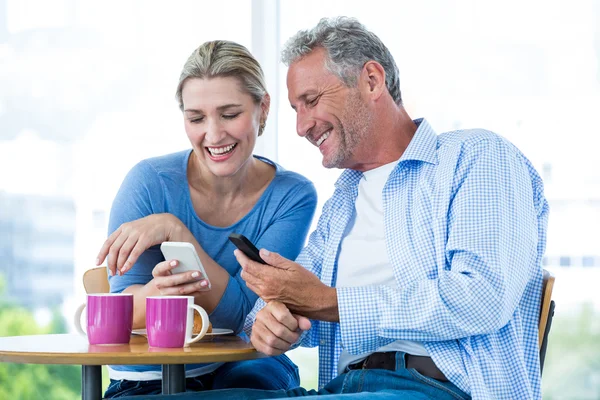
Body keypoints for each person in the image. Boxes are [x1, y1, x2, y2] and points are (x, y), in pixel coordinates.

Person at [119, 17, 549, 400]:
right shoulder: (343, 202)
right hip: (344, 387)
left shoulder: (475, 158)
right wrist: (275, 320)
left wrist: (330, 301)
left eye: (311, 100)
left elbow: (482, 298)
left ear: (372, 81)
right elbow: (285, 309)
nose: (302, 126)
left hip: (438, 387)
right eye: (295, 109)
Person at [94, 40, 317, 398]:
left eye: (229, 114)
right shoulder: (149, 182)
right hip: (150, 381)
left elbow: (246, 312)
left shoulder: (291, 196)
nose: (213, 135)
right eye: (196, 118)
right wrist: (158, 296)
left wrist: (175, 232)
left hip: (249, 369)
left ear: (263, 108)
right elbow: (118, 311)